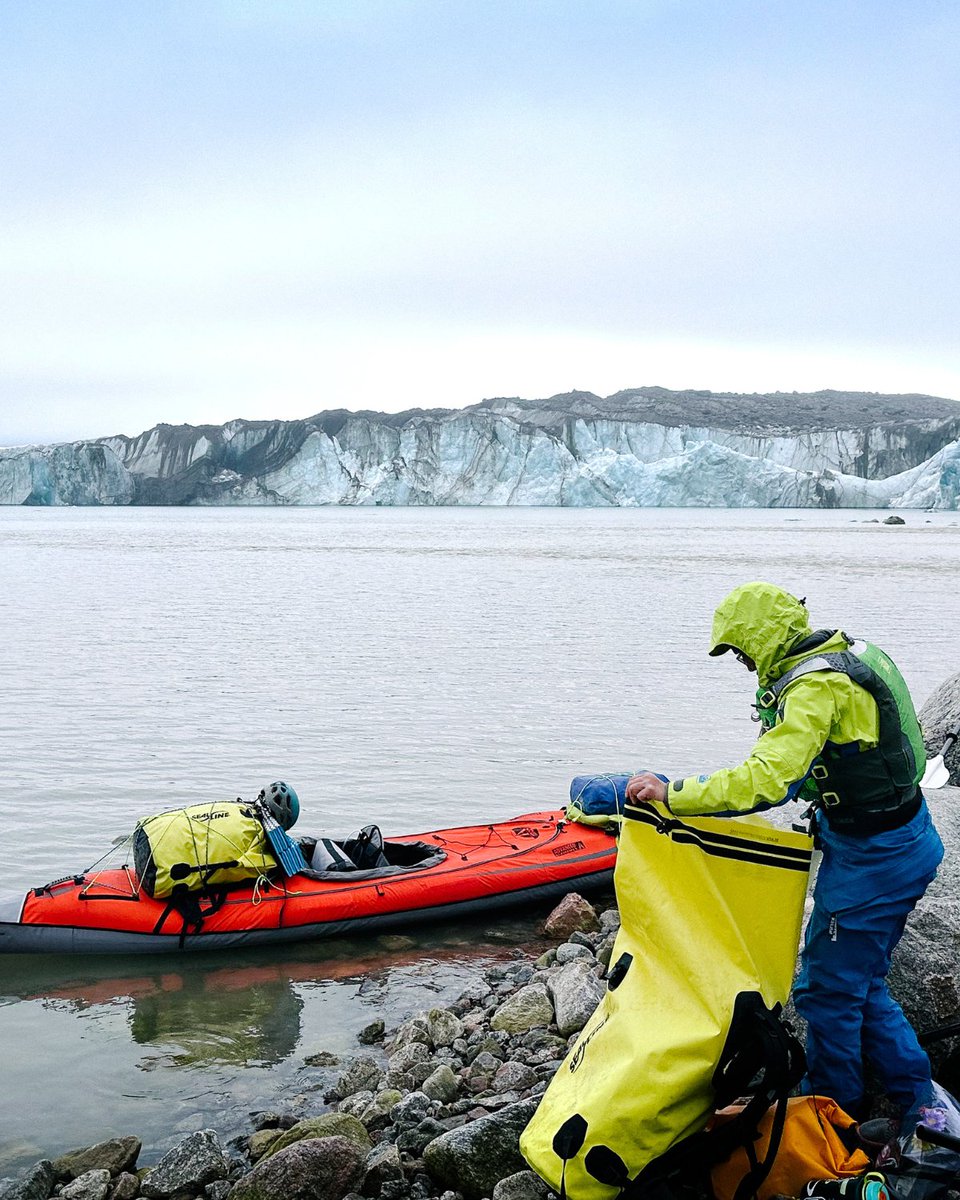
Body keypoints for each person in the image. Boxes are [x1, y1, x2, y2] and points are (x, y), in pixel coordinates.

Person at [625, 581, 944, 1119]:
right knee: (861, 982)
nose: (743, 664)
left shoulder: (815, 688)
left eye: (740, 650)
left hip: (875, 859)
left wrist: (672, 794)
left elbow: (768, 779)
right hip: (897, 837)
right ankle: (918, 1100)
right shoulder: (848, 653)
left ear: (763, 636)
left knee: (826, 990)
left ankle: (831, 1111)